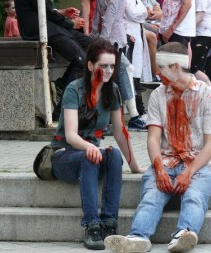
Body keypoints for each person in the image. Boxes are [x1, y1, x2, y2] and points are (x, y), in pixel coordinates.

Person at [104, 42, 211, 253]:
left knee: (195, 195)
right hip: (166, 160)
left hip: (199, 162)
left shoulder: (209, 95)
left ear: (176, 66)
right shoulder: (158, 95)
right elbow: (153, 139)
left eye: (162, 67)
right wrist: (158, 168)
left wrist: (189, 172)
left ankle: (184, 235)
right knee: (151, 195)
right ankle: (138, 238)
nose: (157, 72)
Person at [51, 38, 144, 250]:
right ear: (91, 65)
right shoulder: (74, 89)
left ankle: (109, 225)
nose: (109, 70)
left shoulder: (113, 91)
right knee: (89, 156)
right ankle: (92, 226)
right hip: (64, 154)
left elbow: (121, 132)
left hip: (90, 156)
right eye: (103, 65)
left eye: (112, 65)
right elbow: (71, 134)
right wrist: (90, 147)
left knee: (113, 155)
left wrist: (135, 166)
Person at [15, 0, 90, 121]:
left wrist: (61, 12)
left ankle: (62, 84)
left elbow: (43, 9)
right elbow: (46, 11)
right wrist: (70, 23)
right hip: (43, 29)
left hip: (49, 27)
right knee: (82, 61)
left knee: (90, 46)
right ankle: (62, 110)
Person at [90, 0, 147, 131]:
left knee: (116, 75)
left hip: (112, 41)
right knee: (116, 75)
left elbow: (110, 17)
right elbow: (103, 18)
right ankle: (131, 116)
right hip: (110, 41)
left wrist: (99, 40)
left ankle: (129, 117)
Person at [190, 0, 211, 88]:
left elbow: (200, 15)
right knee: (202, 68)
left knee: (195, 69)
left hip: (202, 34)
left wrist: (187, 28)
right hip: (206, 33)